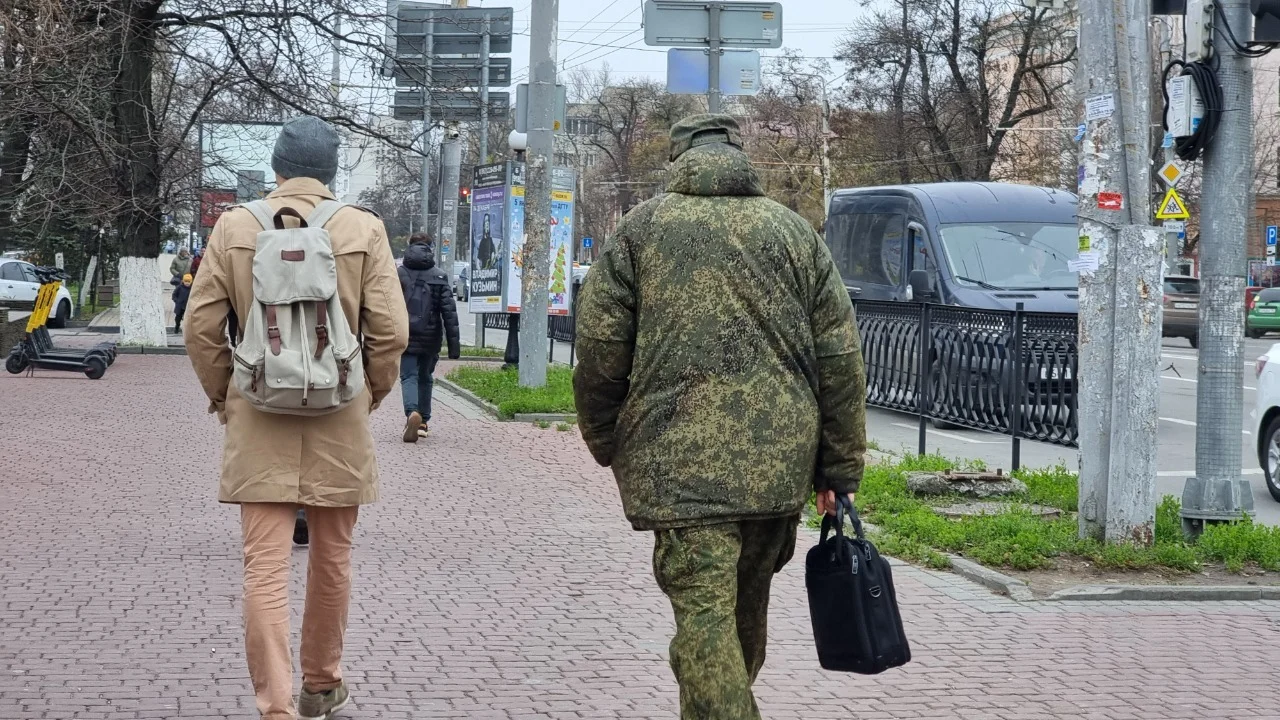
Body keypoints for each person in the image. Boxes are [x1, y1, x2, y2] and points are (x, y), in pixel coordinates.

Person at [572, 114, 867, 720]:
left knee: (704, 619)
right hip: (777, 465)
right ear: (740, 154)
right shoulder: (793, 233)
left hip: (678, 464)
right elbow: (840, 357)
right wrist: (838, 471)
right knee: (740, 614)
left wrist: (605, 437)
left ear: (676, 159)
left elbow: (600, 348)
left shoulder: (641, 231)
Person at [184, 115, 408, 720]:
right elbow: (389, 333)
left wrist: (227, 396)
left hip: (258, 410)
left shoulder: (234, 226)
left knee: (264, 565)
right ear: (331, 173)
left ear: (278, 168)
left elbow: (201, 328)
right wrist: (368, 396)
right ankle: (320, 684)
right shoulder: (363, 228)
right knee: (333, 557)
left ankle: (275, 707)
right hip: (339, 412)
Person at [397, 233, 461, 442]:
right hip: (431, 337)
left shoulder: (398, 274)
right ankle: (423, 421)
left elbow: (386, 306)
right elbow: (449, 314)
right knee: (425, 377)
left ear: (410, 246)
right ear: (430, 248)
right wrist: (454, 347)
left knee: (408, 376)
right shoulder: (439, 276)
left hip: (405, 334)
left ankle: (411, 413)